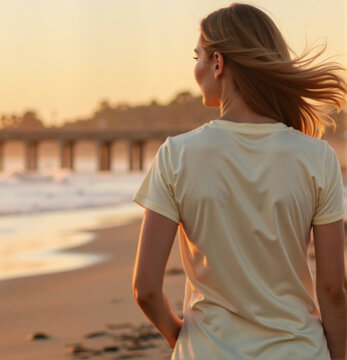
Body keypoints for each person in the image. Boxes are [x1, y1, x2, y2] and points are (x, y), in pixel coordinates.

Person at [131, 3, 347, 359]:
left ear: (218, 63)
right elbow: (333, 289)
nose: (195, 68)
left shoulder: (177, 155)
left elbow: (146, 289)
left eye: (197, 56)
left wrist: (181, 339)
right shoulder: (317, 158)